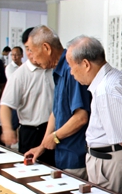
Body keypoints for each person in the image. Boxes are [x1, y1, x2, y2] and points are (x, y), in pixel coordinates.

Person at [66, 35, 122, 194]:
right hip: (111, 160)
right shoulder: (116, 78)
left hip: (112, 163)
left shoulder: (107, 89)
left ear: (86, 64)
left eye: (71, 66)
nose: (71, 72)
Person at [24, 25, 90, 180]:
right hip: (62, 154)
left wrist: (54, 137)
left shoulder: (71, 68)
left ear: (46, 48)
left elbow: (81, 117)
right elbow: (56, 112)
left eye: (32, 51)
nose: (32, 58)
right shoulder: (58, 69)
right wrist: (42, 146)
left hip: (75, 156)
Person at [0, 28, 55, 165]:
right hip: (31, 133)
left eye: (33, 49)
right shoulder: (20, 74)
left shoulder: (55, 68)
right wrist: (7, 129)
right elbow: (5, 106)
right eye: (27, 49)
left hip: (55, 131)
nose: (31, 54)